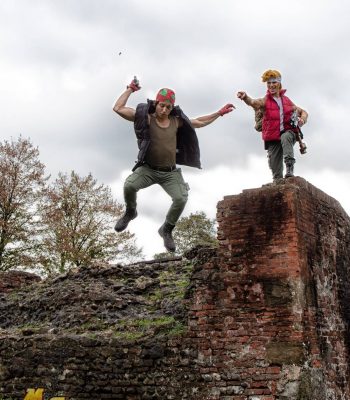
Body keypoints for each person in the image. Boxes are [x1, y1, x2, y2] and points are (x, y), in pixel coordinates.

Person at [113, 77, 235, 252]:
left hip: (170, 173)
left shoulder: (176, 121)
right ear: (156, 103)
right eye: (161, 105)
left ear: (172, 108)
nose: (164, 109)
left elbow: (199, 122)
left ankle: (166, 229)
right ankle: (131, 212)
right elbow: (118, 108)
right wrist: (130, 89)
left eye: (168, 107)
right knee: (129, 185)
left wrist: (219, 113)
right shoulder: (145, 118)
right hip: (148, 169)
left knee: (181, 198)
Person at [237, 69, 308, 181]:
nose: (271, 85)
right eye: (269, 83)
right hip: (272, 137)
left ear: (279, 83)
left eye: (274, 82)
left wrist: (302, 120)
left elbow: (303, 112)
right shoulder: (266, 101)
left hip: (288, 133)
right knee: (276, 172)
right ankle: (278, 184)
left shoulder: (287, 101)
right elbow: (254, 103)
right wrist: (245, 97)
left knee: (286, 137)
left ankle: (290, 167)